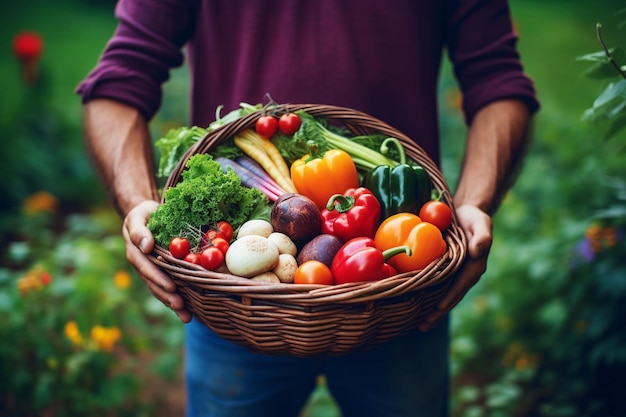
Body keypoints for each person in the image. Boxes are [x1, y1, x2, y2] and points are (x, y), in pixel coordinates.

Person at [77, 1, 539, 416]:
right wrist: (139, 202)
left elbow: (498, 81)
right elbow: (117, 81)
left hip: (399, 292)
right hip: (237, 297)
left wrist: (474, 203)